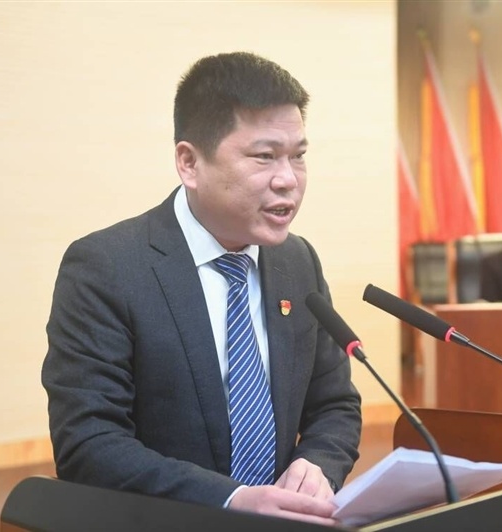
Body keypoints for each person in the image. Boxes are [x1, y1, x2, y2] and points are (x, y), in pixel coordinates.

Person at [41, 51, 361, 526]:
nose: (288, 180)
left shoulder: (297, 261)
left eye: (298, 156)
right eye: (264, 156)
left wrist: (318, 465)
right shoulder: (107, 267)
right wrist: (230, 500)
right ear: (189, 163)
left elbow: (334, 403)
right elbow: (88, 444)